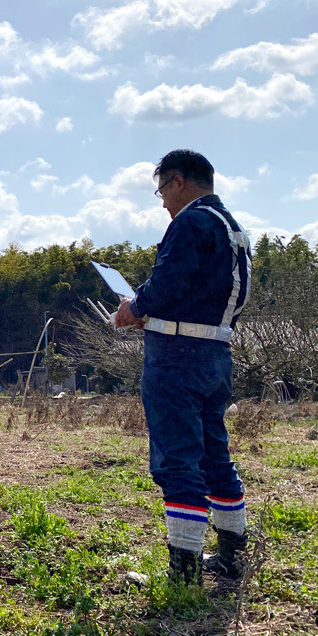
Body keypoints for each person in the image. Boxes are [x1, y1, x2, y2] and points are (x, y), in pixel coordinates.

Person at [114, 149, 251, 585]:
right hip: (216, 352)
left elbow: (168, 284)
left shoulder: (189, 222)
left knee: (177, 460)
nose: (161, 201)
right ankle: (231, 556)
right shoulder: (233, 228)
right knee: (214, 454)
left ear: (178, 181)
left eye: (160, 189)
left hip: (177, 356)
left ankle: (184, 572)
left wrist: (132, 308)